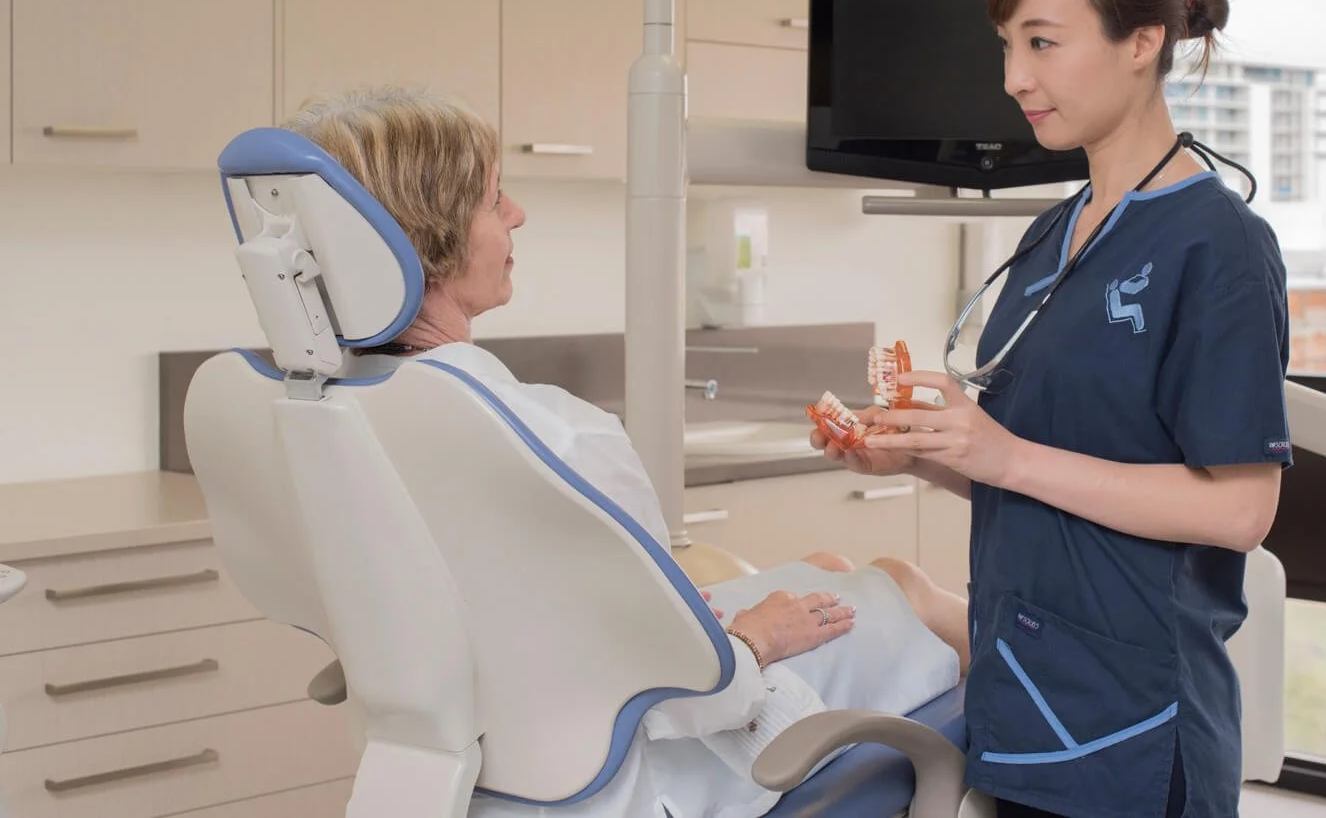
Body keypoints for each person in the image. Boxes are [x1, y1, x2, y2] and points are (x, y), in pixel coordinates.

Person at [279, 85, 969, 818]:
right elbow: (685, 685)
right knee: (905, 585)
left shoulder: (333, 417)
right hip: (639, 765)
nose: (517, 213)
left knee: (831, 566)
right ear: (432, 238)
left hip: (490, 752)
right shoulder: (558, 435)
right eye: (493, 199)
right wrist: (756, 639)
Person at [813, 0, 1291, 818]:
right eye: (1006, 46)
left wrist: (1006, 455)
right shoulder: (1049, 234)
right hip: (1019, 694)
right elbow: (1027, 472)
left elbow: (1240, 508)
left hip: (1135, 727)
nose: (1012, 77)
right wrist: (922, 453)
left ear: (1143, 38)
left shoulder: (1218, 244)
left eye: (1041, 43)